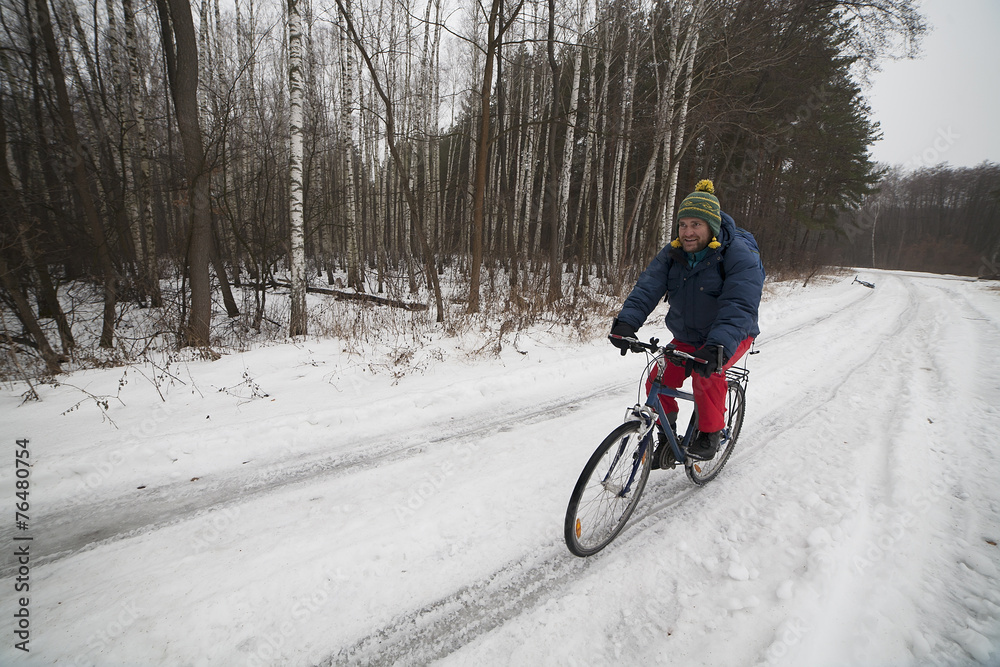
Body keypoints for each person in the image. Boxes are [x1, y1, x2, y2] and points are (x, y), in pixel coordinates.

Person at [610, 179, 763, 462]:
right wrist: (627, 323)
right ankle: (667, 438)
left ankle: (710, 432)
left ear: (712, 226)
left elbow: (739, 305)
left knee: (707, 374)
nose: (688, 232)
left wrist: (717, 346)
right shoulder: (674, 252)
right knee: (657, 376)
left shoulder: (738, 255)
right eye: (683, 224)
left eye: (696, 224)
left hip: (732, 336)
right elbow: (648, 287)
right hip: (688, 335)